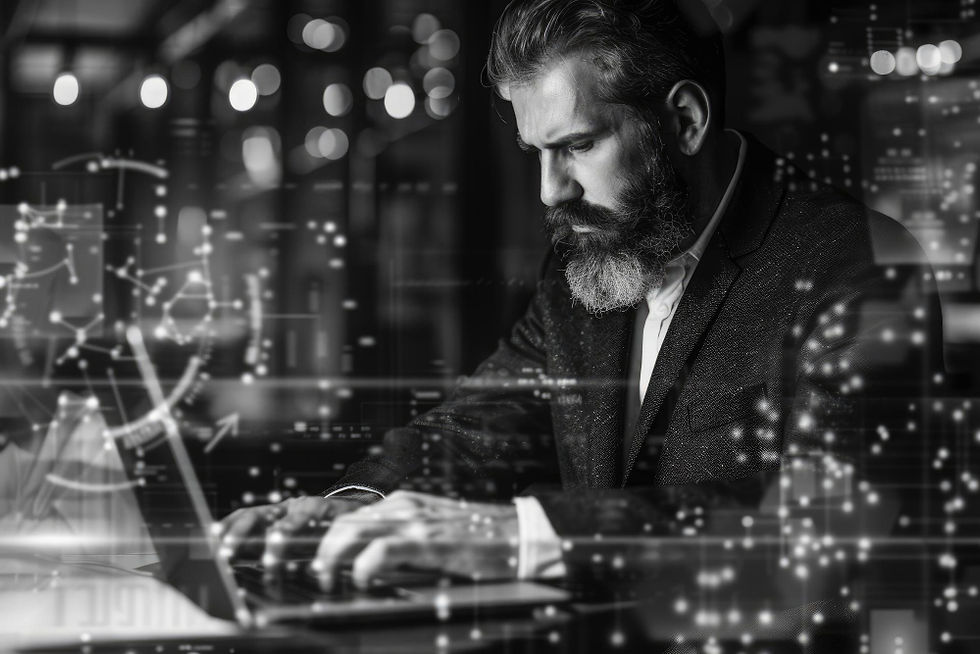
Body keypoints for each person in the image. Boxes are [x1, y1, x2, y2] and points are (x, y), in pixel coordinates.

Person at [222, 0, 944, 641]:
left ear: (685, 121)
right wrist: (353, 506)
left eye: (577, 146)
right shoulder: (596, 253)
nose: (550, 191)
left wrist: (521, 537)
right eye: (537, 153)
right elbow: (488, 420)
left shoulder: (861, 264)